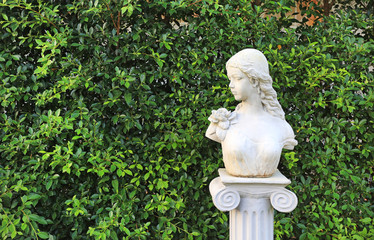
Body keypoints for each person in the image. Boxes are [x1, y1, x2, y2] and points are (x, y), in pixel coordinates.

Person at [206, 49, 297, 177]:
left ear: (255, 80)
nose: (230, 85)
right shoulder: (223, 122)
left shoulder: (281, 126)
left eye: (237, 78)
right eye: (230, 79)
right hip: (233, 194)